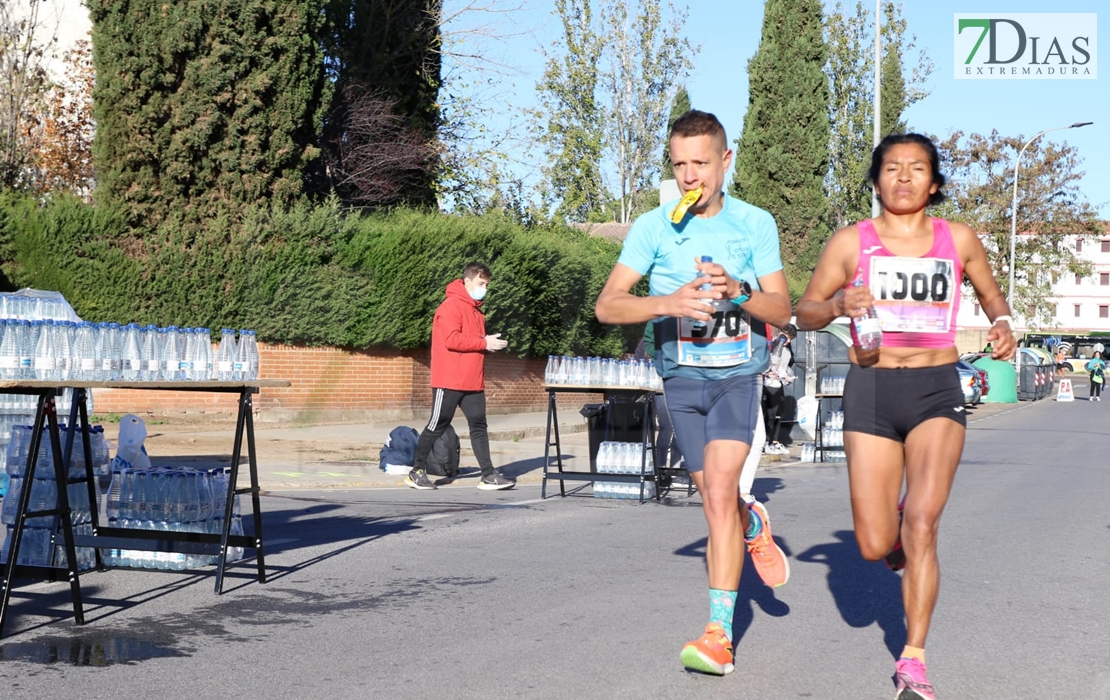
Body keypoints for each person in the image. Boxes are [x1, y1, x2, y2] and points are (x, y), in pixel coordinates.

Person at [795, 133, 1016, 700]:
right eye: (891, 168)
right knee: (874, 545)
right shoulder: (851, 242)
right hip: (869, 387)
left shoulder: (958, 239)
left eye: (917, 168)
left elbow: (993, 296)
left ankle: (913, 659)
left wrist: (1003, 324)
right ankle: (891, 528)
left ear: (934, 183)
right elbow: (806, 311)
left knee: (922, 523)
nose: (903, 177)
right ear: (875, 181)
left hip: (937, 388)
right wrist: (839, 303)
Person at [595, 110, 792, 677]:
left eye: (700, 163)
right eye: (679, 164)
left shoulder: (755, 224)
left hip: (737, 377)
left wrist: (740, 289)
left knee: (717, 495)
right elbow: (608, 306)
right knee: (720, 504)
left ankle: (717, 636)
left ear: (725, 162)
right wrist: (668, 303)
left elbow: (784, 309)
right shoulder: (655, 228)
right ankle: (751, 523)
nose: (689, 176)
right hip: (680, 383)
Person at [405, 262, 516, 491]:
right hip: (450, 379)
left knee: (479, 426)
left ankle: (487, 475)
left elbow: (470, 342)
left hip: (472, 381)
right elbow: (451, 340)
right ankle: (416, 471)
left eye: (486, 284)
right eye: (480, 283)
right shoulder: (451, 307)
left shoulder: (476, 311)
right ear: (466, 281)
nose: (484, 287)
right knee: (437, 425)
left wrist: (487, 343)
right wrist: (483, 342)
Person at [761, 324, 796, 455]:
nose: (788, 341)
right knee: (769, 414)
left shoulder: (786, 350)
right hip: (769, 384)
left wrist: (787, 376)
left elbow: (785, 365)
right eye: (787, 337)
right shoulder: (774, 344)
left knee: (778, 413)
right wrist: (770, 371)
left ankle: (774, 441)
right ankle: (766, 442)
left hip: (778, 383)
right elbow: (770, 361)